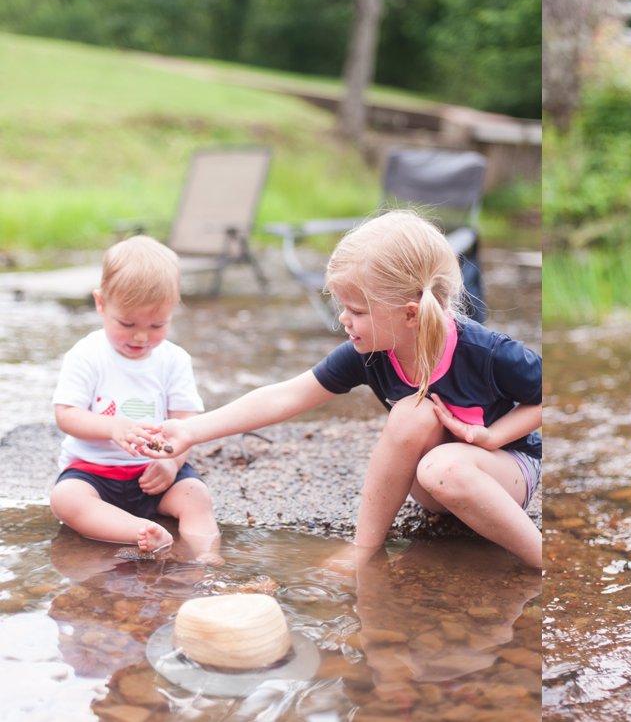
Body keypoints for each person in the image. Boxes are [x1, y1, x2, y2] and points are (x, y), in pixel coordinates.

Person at [144, 209, 543, 568]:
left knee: (441, 462)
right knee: (413, 413)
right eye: (342, 306)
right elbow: (286, 395)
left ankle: (540, 557)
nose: (342, 319)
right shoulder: (369, 353)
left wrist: (493, 437)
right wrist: (191, 431)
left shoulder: (487, 352)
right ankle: (364, 549)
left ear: (409, 313)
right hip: (438, 484)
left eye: (356, 311)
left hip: (503, 474)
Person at [50, 235, 220, 558]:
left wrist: (171, 463)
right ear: (101, 304)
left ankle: (206, 559)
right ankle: (141, 532)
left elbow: (187, 422)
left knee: (196, 495)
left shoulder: (173, 359)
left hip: (153, 472)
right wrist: (113, 427)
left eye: (158, 325)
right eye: (127, 323)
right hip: (95, 471)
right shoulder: (86, 355)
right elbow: (66, 414)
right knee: (66, 499)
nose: (141, 336)